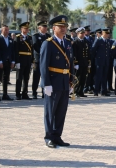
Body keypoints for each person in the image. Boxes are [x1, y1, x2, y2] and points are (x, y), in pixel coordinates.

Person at [40, 15, 74, 148]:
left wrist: (71, 82)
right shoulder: (48, 43)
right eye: (60, 26)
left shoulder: (68, 43)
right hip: (53, 83)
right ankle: (49, 137)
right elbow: (43, 66)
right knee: (50, 111)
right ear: (54, 28)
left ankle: (57, 136)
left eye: (65, 27)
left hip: (65, 82)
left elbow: (70, 64)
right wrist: (46, 84)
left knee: (61, 111)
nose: (63, 29)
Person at [32, 21, 51, 99]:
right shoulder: (35, 36)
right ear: (39, 28)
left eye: (46, 27)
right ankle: (34, 92)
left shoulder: (48, 36)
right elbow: (35, 46)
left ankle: (44, 92)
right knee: (36, 77)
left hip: (47, 61)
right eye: (44, 27)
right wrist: (43, 54)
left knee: (45, 76)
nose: (45, 28)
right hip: (38, 60)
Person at [0, 25, 15, 101]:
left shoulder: (10, 39)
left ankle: (5, 94)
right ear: (1, 31)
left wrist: (13, 61)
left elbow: (12, 51)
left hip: (8, 61)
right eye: (5, 30)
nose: (7, 31)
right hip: (1, 61)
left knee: (5, 79)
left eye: (7, 30)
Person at [14, 22, 33, 100]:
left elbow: (32, 50)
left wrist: (32, 61)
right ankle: (18, 94)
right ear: (21, 29)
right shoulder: (18, 37)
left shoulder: (29, 37)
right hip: (21, 60)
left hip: (28, 60)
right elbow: (15, 50)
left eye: (27, 29)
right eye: (25, 28)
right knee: (19, 78)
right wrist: (17, 62)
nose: (26, 30)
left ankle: (25, 93)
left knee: (26, 78)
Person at [92, 28, 111, 96]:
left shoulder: (108, 41)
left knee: (104, 76)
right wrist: (96, 59)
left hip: (106, 61)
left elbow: (108, 52)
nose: (107, 35)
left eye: (108, 34)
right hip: (99, 61)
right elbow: (93, 50)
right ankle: (96, 91)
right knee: (98, 76)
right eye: (106, 33)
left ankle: (104, 91)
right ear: (103, 33)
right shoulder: (98, 41)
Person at [72, 27, 90, 97]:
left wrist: (88, 62)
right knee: (78, 78)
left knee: (83, 78)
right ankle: (76, 91)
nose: (82, 35)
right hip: (79, 63)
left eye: (83, 33)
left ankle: (81, 91)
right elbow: (74, 53)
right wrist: (75, 63)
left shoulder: (85, 41)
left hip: (84, 63)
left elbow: (88, 53)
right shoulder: (75, 42)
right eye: (81, 33)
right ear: (77, 34)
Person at [83, 25, 95, 94]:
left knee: (91, 74)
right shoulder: (83, 39)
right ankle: (85, 87)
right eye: (87, 31)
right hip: (85, 59)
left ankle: (90, 87)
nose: (88, 32)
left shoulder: (91, 39)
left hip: (91, 58)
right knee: (85, 74)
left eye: (89, 31)